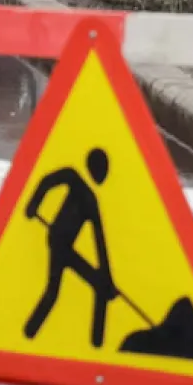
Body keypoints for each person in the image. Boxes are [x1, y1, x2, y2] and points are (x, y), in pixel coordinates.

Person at [23, 148, 119, 348]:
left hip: (65, 247)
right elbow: (46, 181)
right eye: (102, 171)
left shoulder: (92, 202)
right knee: (53, 293)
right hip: (58, 244)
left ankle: (97, 345)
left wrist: (108, 278)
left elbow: (100, 241)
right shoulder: (73, 178)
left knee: (95, 287)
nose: (103, 176)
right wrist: (33, 205)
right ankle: (28, 334)